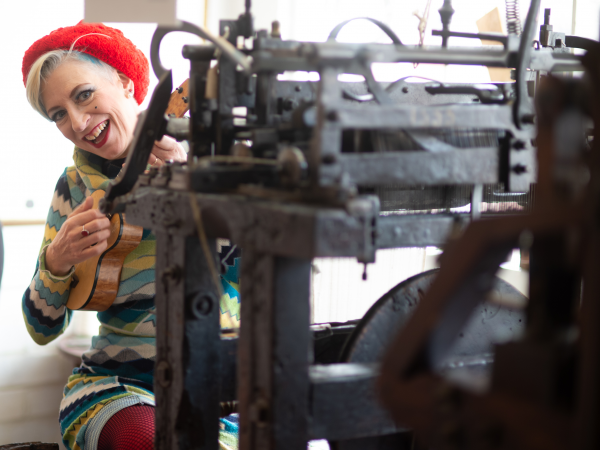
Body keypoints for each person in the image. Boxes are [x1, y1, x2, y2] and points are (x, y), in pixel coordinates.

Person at [21, 22, 242, 450]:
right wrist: (57, 262)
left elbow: (255, 275)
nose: (79, 122)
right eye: (59, 114)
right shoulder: (73, 188)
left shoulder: (212, 159)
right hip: (116, 385)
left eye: (84, 95)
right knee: (143, 439)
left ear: (124, 82)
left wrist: (194, 190)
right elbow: (40, 329)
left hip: (222, 387)